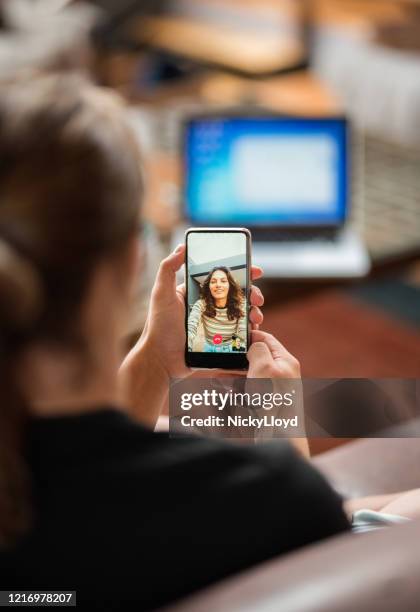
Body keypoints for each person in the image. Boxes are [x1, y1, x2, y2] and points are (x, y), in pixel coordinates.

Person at [0, 74, 349, 610]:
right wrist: (279, 423)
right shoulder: (266, 495)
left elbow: (92, 470)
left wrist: (156, 363)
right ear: (131, 262)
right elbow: (321, 571)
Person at [188, 266, 247, 352]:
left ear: (230, 285)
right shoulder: (201, 304)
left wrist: (240, 351)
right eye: (213, 281)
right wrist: (186, 344)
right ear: (209, 287)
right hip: (210, 346)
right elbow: (191, 326)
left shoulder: (241, 304)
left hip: (233, 343)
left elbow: (243, 330)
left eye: (223, 281)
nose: (218, 285)